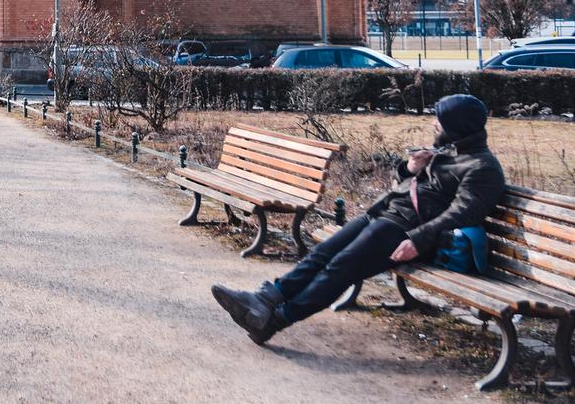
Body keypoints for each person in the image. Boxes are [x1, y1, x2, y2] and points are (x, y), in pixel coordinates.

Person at [211, 94, 505, 344]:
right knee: (321, 255)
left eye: (439, 120)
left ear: (456, 126)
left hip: (406, 231)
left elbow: (464, 212)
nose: (433, 124)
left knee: (339, 268)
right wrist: (409, 169)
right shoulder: (448, 152)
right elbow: (420, 188)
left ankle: (274, 322)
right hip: (385, 215)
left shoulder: (482, 167)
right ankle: (264, 299)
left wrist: (418, 239)